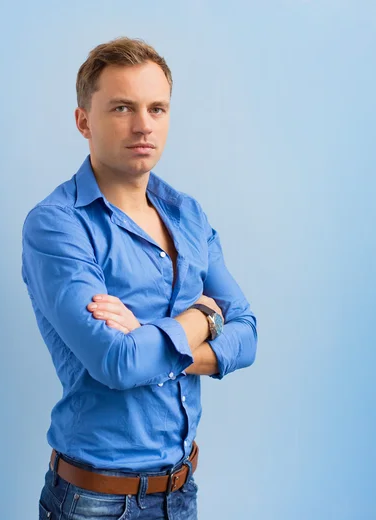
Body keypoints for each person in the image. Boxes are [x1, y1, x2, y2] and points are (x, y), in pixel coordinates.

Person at [21, 37, 258, 520]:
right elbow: (118, 362)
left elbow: (248, 334)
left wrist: (156, 344)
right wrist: (203, 314)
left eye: (157, 108)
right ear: (83, 121)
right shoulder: (57, 225)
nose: (143, 124)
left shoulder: (188, 215)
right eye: (123, 108)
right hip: (94, 501)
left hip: (181, 491)